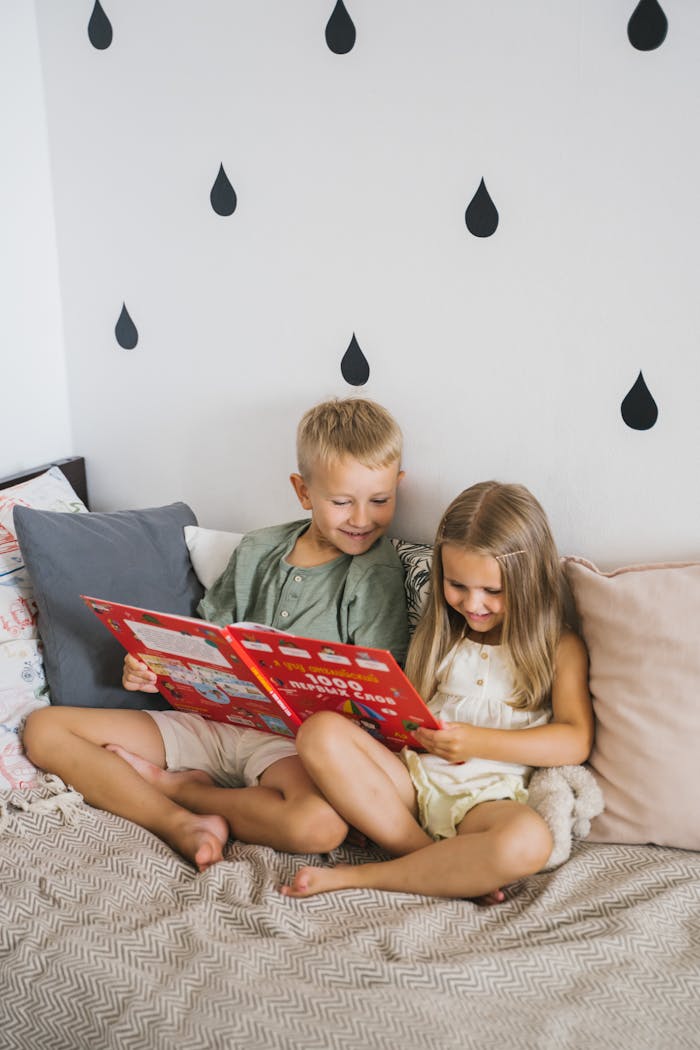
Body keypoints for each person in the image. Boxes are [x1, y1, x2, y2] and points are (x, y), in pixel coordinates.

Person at [24, 397, 409, 873]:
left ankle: (183, 791)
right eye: (341, 501)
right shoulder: (258, 550)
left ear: (399, 486)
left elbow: (379, 695)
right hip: (208, 720)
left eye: (379, 500)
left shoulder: (375, 573)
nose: (362, 518)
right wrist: (149, 668)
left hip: (287, 746)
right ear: (303, 491)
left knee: (320, 826)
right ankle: (176, 823)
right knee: (45, 729)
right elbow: (202, 642)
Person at [280, 481, 594, 901]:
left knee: (529, 840)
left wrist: (475, 740)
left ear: (529, 580)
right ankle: (430, 861)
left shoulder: (558, 647)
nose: (473, 604)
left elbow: (575, 741)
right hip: (410, 786)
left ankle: (364, 876)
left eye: (493, 591)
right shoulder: (441, 634)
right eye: (458, 586)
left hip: (488, 802)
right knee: (319, 731)